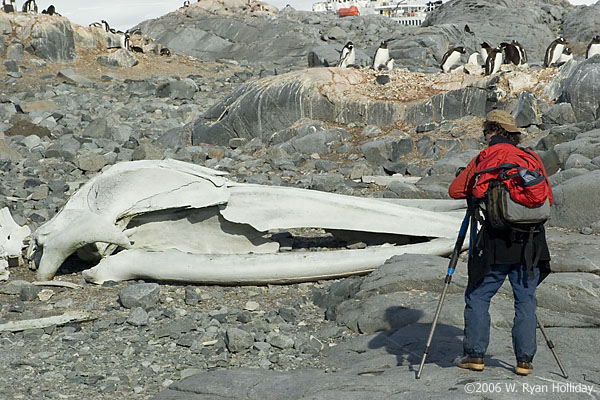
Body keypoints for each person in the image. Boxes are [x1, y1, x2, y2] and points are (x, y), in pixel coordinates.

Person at [448, 110, 553, 376]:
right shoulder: (530, 157)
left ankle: (475, 355)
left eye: (485, 131)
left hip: (495, 241)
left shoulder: (485, 157)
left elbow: (456, 190)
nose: (484, 137)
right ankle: (524, 361)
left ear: (492, 130)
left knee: (479, 295)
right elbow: (547, 197)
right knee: (526, 299)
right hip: (531, 242)